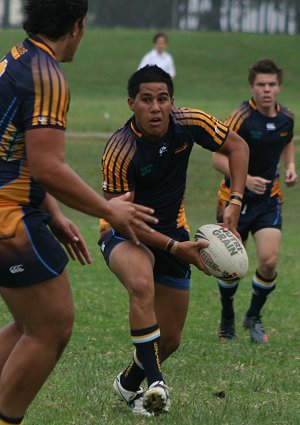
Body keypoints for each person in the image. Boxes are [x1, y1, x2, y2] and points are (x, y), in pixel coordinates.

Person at [0, 2, 157, 424]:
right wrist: (109, 210)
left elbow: (16, 152)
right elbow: (48, 165)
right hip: (8, 216)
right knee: (52, 325)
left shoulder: (15, 59)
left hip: (17, 207)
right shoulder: (47, 75)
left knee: (29, 323)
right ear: (77, 25)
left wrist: (53, 212)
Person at [99, 65, 249, 416]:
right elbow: (125, 218)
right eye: (146, 100)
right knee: (140, 282)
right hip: (124, 231)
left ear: (172, 102)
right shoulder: (121, 150)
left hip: (174, 232)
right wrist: (171, 248)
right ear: (131, 104)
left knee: (169, 340)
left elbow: (238, 147)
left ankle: (128, 383)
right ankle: (157, 384)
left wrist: (235, 201)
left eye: (162, 99)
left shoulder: (189, 123)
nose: (155, 107)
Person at [212, 58, 298, 344]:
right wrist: (245, 178)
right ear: (252, 87)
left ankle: (254, 316)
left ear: (279, 87)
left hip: (268, 200)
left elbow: (286, 140)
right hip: (233, 199)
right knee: (229, 265)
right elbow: (217, 157)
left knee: (269, 261)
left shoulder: (287, 118)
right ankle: (227, 315)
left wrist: (290, 166)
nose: (266, 90)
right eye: (261, 84)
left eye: (272, 84)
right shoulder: (240, 117)